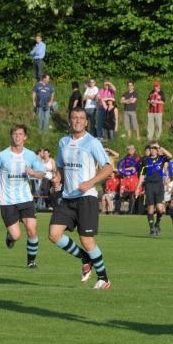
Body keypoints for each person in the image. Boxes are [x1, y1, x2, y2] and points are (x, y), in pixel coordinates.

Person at [47, 108, 113, 290]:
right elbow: (60, 166)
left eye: (81, 118)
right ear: (69, 121)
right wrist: (57, 177)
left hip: (86, 197)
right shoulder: (63, 142)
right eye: (74, 117)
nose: (77, 120)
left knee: (86, 239)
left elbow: (108, 168)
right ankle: (84, 258)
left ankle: (104, 278)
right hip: (68, 197)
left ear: (86, 122)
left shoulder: (92, 143)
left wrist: (90, 182)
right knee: (53, 234)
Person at [0, 124, 46, 268]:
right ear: (11, 136)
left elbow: (42, 173)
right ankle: (10, 236)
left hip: (25, 198)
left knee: (32, 229)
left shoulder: (30, 155)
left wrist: (33, 173)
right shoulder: (2, 155)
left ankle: (31, 261)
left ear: (25, 137)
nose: (17, 136)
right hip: (7, 200)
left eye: (20, 134)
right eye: (15, 134)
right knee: (16, 235)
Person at [135, 142, 172, 236]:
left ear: (157, 149)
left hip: (159, 186)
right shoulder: (145, 160)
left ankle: (157, 223)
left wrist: (161, 147)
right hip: (149, 186)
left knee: (160, 209)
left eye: (155, 148)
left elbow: (170, 156)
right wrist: (137, 188)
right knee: (150, 207)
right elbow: (142, 176)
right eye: (151, 148)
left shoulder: (161, 158)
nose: (153, 150)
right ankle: (151, 228)